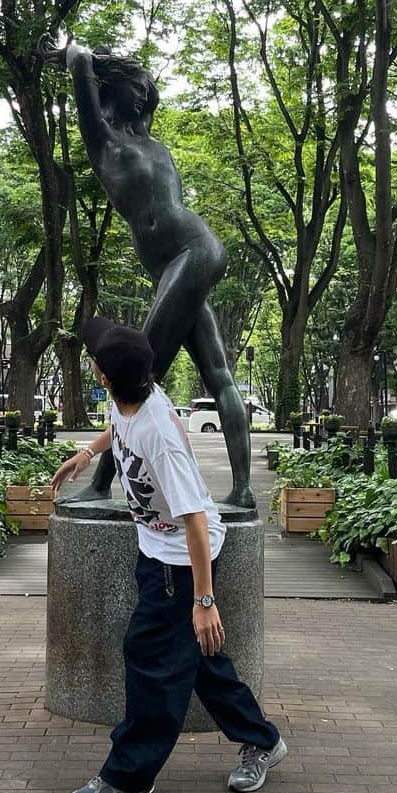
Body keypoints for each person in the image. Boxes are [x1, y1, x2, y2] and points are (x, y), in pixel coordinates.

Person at [51, 316, 286, 793]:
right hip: (157, 553)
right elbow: (115, 426)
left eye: (94, 361)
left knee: (152, 664)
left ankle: (129, 773)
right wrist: (86, 454)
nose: (92, 363)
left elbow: (197, 522)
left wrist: (204, 601)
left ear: (104, 377)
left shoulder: (160, 433)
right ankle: (261, 739)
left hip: (180, 565)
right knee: (199, 661)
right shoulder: (130, 398)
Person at [41, 37, 253, 507]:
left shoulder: (132, 143)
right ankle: (243, 491)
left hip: (192, 253)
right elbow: (91, 82)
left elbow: (105, 101)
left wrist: (92, 63)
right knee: (217, 373)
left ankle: (98, 485)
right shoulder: (120, 145)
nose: (141, 97)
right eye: (134, 91)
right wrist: (83, 60)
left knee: (135, 374)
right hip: (186, 259)